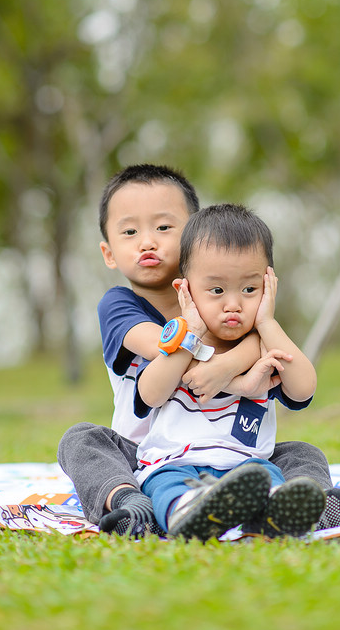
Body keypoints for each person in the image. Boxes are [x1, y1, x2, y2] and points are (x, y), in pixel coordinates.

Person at [57, 164, 340, 537]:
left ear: (195, 236)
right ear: (109, 252)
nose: (147, 241)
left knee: (300, 453)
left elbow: (293, 375)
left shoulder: (227, 308)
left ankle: (302, 504)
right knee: (81, 440)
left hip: (234, 451)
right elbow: (167, 343)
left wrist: (240, 352)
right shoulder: (119, 305)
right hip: (142, 453)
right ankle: (130, 501)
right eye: (130, 232)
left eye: (164, 228)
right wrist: (237, 357)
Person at [134, 202, 327, 541]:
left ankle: (273, 515)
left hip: (245, 468)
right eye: (217, 290)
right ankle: (188, 510)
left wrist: (267, 321)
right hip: (176, 463)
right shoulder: (179, 342)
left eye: (250, 289)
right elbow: (150, 394)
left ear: (268, 288)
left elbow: (304, 388)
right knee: (165, 485)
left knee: (267, 477)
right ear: (186, 290)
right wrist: (189, 332)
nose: (233, 304)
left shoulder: (265, 347)